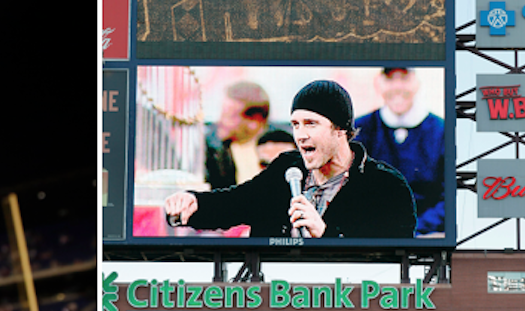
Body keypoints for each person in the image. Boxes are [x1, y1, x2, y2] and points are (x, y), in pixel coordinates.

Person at [164, 80, 417, 239]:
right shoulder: (287, 168)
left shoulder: (386, 186)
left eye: (311, 124)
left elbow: (391, 261)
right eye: (296, 124)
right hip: (274, 299)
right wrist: (193, 201)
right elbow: (236, 202)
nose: (301, 135)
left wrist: (326, 234)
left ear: (340, 129)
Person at [354, 67, 445, 235]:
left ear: (417, 82)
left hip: (426, 234)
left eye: (404, 78)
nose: (397, 87)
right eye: (389, 79)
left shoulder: (441, 131)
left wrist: (415, 230)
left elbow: (449, 197)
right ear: (379, 83)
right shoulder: (361, 129)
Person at [205, 81, 271, 188]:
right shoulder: (212, 151)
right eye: (222, 113)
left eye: (230, 116)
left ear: (254, 122)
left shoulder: (280, 148)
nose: (221, 121)